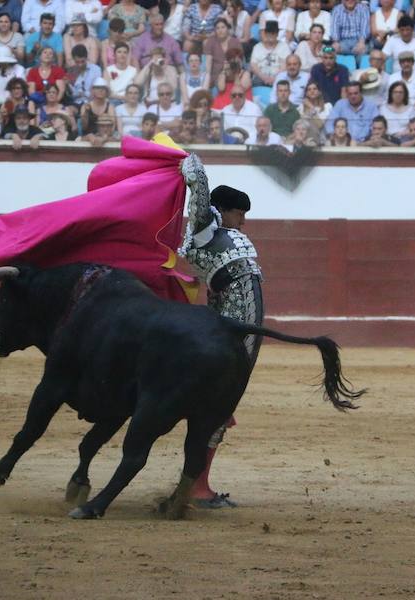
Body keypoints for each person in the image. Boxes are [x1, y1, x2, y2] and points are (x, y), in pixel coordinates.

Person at [178, 156, 264, 509]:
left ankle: (196, 484)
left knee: (222, 401)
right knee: (220, 402)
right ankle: (198, 488)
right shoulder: (203, 229)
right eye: (239, 214)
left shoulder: (214, 235)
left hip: (237, 320)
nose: (242, 222)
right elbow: (197, 181)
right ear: (223, 210)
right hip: (240, 324)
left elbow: (215, 300)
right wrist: (183, 159)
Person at [204, 19, 244, 89]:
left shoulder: (235, 42)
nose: (220, 30)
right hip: (217, 74)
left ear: (227, 29)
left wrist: (230, 67)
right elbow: (208, 64)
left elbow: (240, 61)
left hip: (234, 72)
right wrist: (208, 78)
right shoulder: (211, 41)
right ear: (215, 31)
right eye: (217, 28)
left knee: (245, 76)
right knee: (221, 84)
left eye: (223, 27)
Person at [250, 21, 291, 87]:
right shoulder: (257, 47)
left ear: (277, 34)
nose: (271, 35)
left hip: (279, 79)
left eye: (273, 33)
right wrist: (264, 78)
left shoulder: (284, 47)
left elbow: (285, 65)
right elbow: (253, 65)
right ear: (265, 33)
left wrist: (274, 79)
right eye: (269, 33)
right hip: (260, 78)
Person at [67, 44, 103, 112]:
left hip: (92, 102)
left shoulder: (96, 69)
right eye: (77, 62)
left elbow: (97, 90)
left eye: (82, 61)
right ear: (73, 59)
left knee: (85, 111)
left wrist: (83, 94)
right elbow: (72, 94)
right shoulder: (70, 71)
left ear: (86, 58)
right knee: (68, 111)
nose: (80, 64)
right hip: (76, 103)